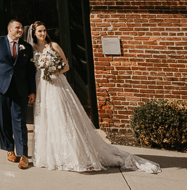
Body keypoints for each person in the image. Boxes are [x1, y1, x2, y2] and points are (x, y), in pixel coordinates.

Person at [30, 21, 161, 173]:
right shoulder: (33, 49)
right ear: (34, 33)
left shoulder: (53, 46)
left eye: (44, 30)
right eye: (39, 31)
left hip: (56, 85)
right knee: (46, 118)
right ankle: (50, 155)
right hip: (42, 86)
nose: (42, 33)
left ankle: (73, 155)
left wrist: (53, 71)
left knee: (61, 116)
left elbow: (66, 65)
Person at [0, 19, 36, 169]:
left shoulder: (27, 47)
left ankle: (23, 154)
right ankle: (9, 149)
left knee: (19, 121)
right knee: (3, 120)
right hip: (0, 89)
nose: (20, 30)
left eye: (21, 28)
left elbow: (30, 71)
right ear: (9, 29)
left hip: (20, 90)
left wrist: (32, 91)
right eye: (17, 28)